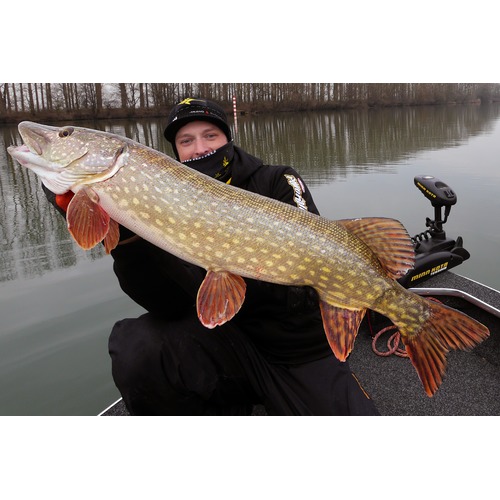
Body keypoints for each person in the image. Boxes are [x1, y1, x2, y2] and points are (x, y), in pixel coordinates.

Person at [47, 98, 379, 415]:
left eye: (210, 135)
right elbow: (167, 305)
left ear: (227, 137)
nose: (200, 147)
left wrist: (239, 265)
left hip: (296, 351)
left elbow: (309, 286)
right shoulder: (163, 203)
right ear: (175, 150)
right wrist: (126, 240)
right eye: (186, 140)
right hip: (228, 346)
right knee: (139, 347)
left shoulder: (276, 180)